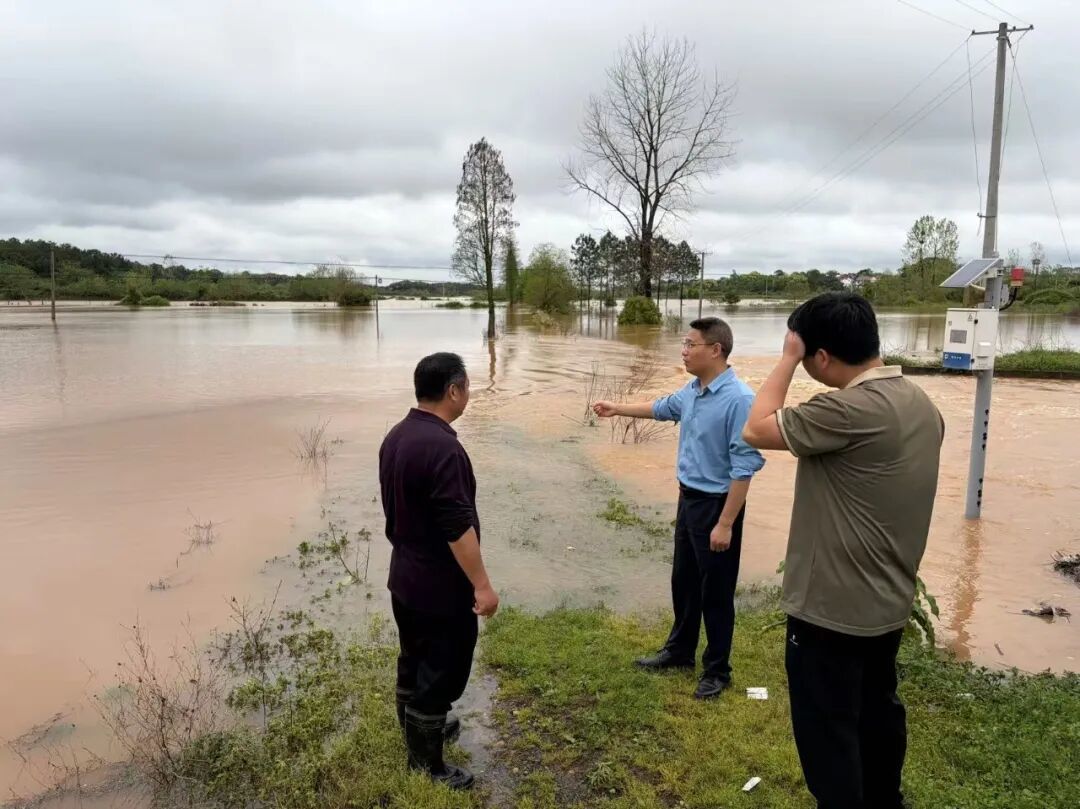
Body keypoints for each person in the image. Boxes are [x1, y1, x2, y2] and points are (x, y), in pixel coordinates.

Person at [742, 293, 944, 809]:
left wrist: (786, 358)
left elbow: (756, 427)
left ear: (823, 357)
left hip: (830, 611)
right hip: (887, 603)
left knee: (828, 735)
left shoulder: (847, 408)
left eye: (807, 357)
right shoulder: (922, 405)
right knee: (876, 715)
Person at [593, 317, 764, 699]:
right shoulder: (693, 390)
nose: (684, 351)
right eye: (684, 344)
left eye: (690, 344)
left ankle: (717, 670)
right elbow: (661, 408)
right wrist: (616, 408)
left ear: (715, 350)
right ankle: (679, 651)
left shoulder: (739, 399)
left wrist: (726, 523)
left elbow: (745, 466)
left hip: (717, 504)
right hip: (688, 499)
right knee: (684, 581)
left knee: (716, 591)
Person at [378, 352, 499, 791]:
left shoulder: (398, 435)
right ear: (454, 390)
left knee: (412, 658)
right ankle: (427, 765)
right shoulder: (444, 447)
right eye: (466, 387)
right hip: (438, 586)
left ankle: (416, 733)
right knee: (441, 670)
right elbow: (456, 526)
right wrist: (482, 586)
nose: (467, 395)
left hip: (404, 576)